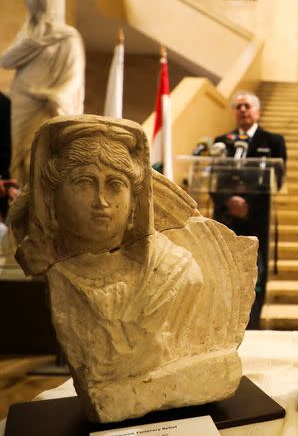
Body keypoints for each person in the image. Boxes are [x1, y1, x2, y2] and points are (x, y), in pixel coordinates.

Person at [9, 116, 257, 421]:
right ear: (52, 197)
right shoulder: (63, 277)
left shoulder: (176, 271)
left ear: (135, 198)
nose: (101, 201)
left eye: (116, 185)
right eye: (84, 183)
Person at [0, 0, 84, 188]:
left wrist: (56, 96)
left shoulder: (68, 37)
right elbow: (6, 60)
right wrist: (36, 40)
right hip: (21, 103)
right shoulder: (29, 34)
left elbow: (73, 77)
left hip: (47, 104)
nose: (28, 2)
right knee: (15, 157)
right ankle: (15, 206)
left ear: (46, 0)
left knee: (38, 156)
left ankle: (38, 209)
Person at [213, 91, 287, 329]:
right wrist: (228, 201)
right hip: (225, 218)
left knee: (256, 272)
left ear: (257, 111)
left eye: (247, 106)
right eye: (238, 106)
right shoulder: (221, 142)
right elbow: (211, 178)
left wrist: (248, 206)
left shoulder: (273, 141)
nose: (243, 110)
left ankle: (252, 324)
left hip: (256, 218)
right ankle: (224, 323)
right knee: (224, 270)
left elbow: (277, 177)